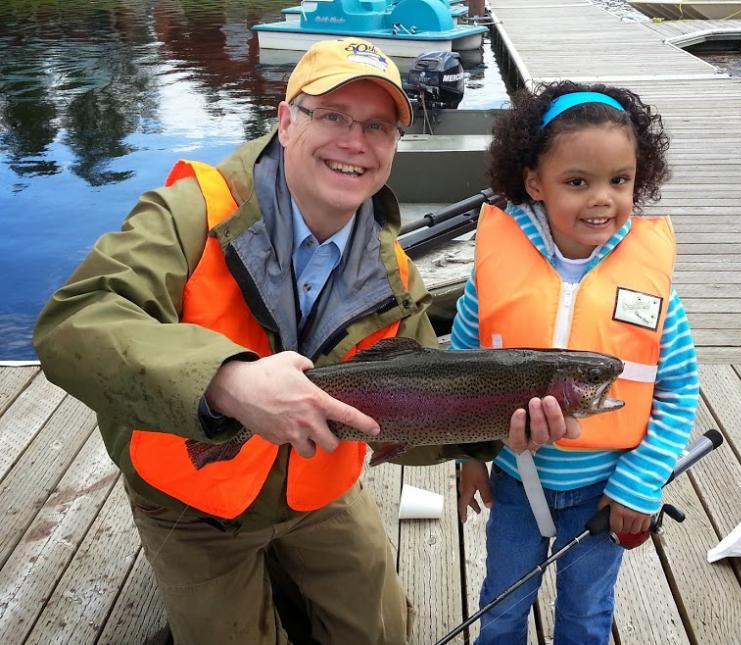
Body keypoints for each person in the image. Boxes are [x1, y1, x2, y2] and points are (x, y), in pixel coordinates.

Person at [33, 37, 576, 645]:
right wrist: (227, 382)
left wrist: (489, 427)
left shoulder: (395, 274)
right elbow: (76, 320)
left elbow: (413, 422)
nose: (355, 142)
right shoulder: (187, 212)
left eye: (377, 126)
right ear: (287, 122)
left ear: (394, 147)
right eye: (333, 116)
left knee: (383, 636)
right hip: (192, 500)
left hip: (312, 496)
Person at [454, 81, 700, 645]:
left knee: (586, 616)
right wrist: (470, 456)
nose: (601, 199)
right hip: (517, 484)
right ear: (534, 183)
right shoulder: (491, 275)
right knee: (501, 608)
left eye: (620, 180)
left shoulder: (658, 293)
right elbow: (459, 375)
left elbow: (679, 391)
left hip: (604, 491)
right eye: (576, 182)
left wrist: (640, 485)